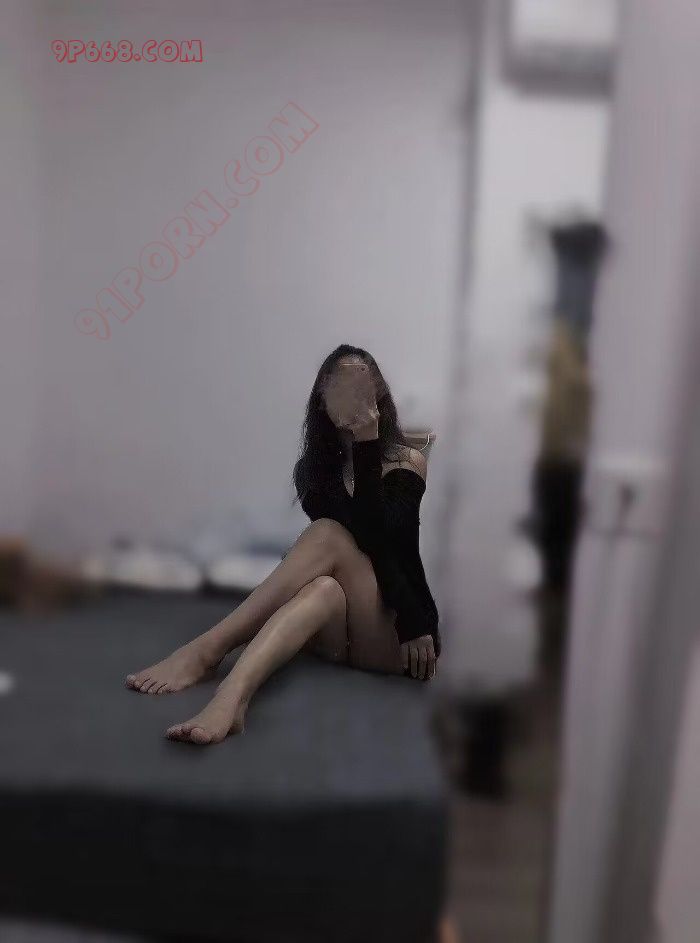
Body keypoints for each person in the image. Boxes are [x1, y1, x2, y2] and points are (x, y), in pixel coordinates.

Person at [125, 345, 441, 745]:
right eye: (341, 386)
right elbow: (347, 546)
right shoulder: (313, 472)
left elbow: (379, 540)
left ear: (379, 394)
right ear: (322, 400)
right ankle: (232, 698)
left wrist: (366, 442)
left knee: (328, 534)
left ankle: (207, 651)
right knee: (322, 586)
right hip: (338, 636)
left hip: (401, 636)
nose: (353, 397)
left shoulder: (407, 460)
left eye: (362, 385)